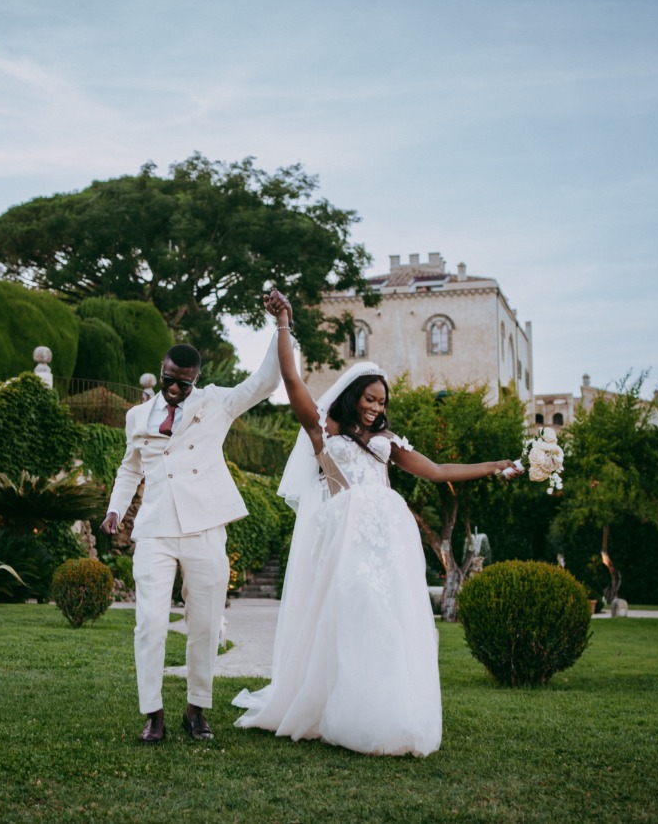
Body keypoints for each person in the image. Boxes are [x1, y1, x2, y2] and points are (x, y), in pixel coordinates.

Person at [232, 292, 522, 757]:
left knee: (388, 623)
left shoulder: (387, 442)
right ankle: (338, 711)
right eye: (369, 398)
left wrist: (494, 466)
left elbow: (440, 472)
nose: (375, 406)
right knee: (350, 616)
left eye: (381, 400)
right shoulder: (322, 431)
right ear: (352, 396)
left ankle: (388, 716)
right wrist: (284, 322)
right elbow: (291, 378)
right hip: (342, 537)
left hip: (387, 540)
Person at [101, 296, 286, 743]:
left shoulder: (216, 403)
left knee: (204, 623)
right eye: (168, 380)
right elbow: (130, 467)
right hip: (155, 529)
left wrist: (281, 325)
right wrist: (114, 508)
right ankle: (154, 714)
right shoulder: (136, 416)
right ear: (160, 372)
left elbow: (265, 381)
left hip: (205, 527)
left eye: (183, 383)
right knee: (149, 621)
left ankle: (197, 709)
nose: (174, 390)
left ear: (196, 378)